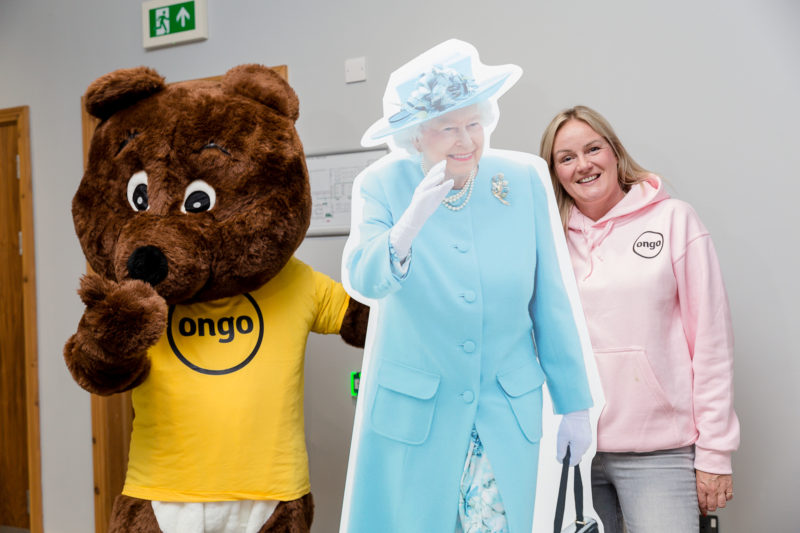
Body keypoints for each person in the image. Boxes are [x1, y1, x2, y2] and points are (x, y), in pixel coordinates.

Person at [340, 40, 594, 533]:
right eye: (447, 127)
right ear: (415, 136)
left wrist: (575, 404)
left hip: (505, 407)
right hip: (418, 414)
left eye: (474, 123)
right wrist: (407, 226)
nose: (466, 140)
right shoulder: (384, 185)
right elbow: (363, 278)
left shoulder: (521, 179)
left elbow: (551, 301)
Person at [539, 105, 740, 533]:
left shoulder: (674, 220)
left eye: (593, 148)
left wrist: (715, 453)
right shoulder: (547, 239)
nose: (584, 165)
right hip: (570, 451)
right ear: (554, 172)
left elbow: (711, 345)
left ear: (614, 152)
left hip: (658, 451)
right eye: (566, 157)